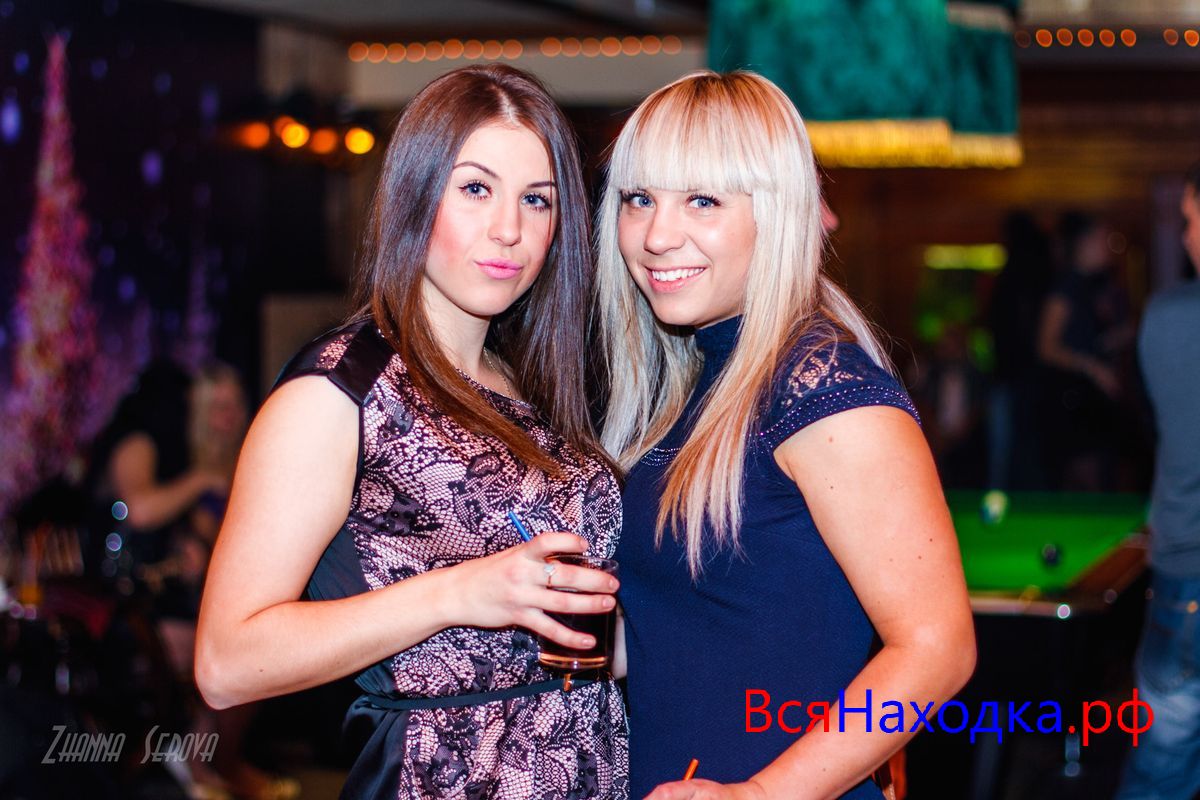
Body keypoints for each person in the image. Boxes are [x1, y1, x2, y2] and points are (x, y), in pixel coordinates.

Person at [194, 64, 627, 800]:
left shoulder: (535, 384)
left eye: (537, 200)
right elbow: (225, 663)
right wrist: (456, 593)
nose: (510, 229)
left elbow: (577, 637)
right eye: (476, 189)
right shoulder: (341, 391)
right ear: (416, 194)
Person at [595, 71, 976, 799]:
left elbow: (937, 650)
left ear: (778, 213)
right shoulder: (697, 377)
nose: (656, 235)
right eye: (639, 198)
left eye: (702, 200)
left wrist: (761, 794)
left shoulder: (822, 390)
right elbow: (709, 631)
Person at [1114, 163, 1200, 800]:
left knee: (1161, 773)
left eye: (1190, 220)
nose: (1187, 236)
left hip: (1188, 572)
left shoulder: (1169, 316)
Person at [1036, 211, 1136, 490]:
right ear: (1085, 243)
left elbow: (1086, 339)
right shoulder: (1066, 286)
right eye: (1103, 238)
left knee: (1105, 475)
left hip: (1090, 398)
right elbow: (1045, 347)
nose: (1108, 245)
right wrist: (1093, 368)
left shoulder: (1094, 285)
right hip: (1071, 399)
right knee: (1087, 481)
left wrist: (1117, 338)